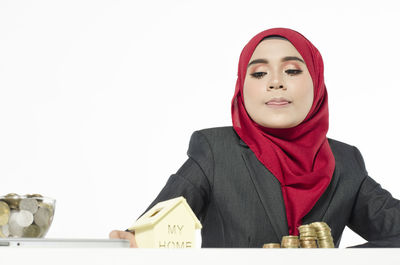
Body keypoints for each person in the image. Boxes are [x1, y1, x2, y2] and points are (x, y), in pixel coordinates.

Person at [109, 27, 400, 248]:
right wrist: (133, 241)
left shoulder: (345, 161)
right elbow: (151, 231)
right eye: (259, 73)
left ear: (317, 84)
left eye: (292, 70)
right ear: (241, 87)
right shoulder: (214, 151)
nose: (275, 82)